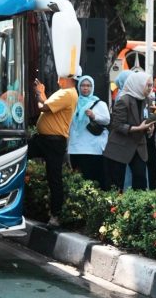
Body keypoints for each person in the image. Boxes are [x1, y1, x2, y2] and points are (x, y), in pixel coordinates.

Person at [33, 74, 79, 226]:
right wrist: (42, 94)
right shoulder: (64, 92)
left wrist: (39, 93)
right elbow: (49, 105)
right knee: (18, 155)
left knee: (54, 178)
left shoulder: (67, 93)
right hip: (44, 139)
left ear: (68, 78)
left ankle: (56, 215)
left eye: (61, 75)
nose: (57, 77)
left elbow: (44, 107)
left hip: (53, 141)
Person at [104, 72, 156, 191]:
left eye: (151, 85)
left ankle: (138, 207)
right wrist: (138, 128)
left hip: (138, 146)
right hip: (121, 146)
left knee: (140, 179)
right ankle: (115, 208)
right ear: (138, 84)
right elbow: (117, 125)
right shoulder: (124, 100)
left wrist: (150, 127)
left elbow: (145, 119)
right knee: (117, 183)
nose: (150, 89)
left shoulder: (146, 101)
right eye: (147, 85)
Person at [68, 75, 111, 189]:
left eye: (88, 85)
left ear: (92, 87)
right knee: (78, 179)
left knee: (94, 179)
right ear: (78, 86)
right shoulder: (74, 103)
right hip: (76, 147)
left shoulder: (99, 103)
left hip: (93, 148)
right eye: (82, 85)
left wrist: (94, 115)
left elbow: (107, 120)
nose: (85, 88)